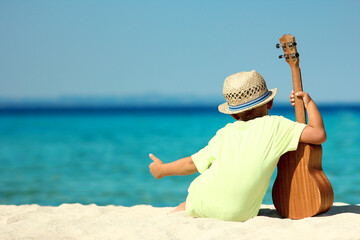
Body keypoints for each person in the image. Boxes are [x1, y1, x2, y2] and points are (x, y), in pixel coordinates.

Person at [148, 70, 327, 222]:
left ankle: (180, 209)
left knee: (187, 204)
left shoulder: (224, 133)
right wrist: (309, 104)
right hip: (239, 214)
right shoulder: (277, 126)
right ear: (270, 103)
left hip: (202, 201)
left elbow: (191, 164)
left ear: (233, 115)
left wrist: (162, 170)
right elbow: (318, 134)